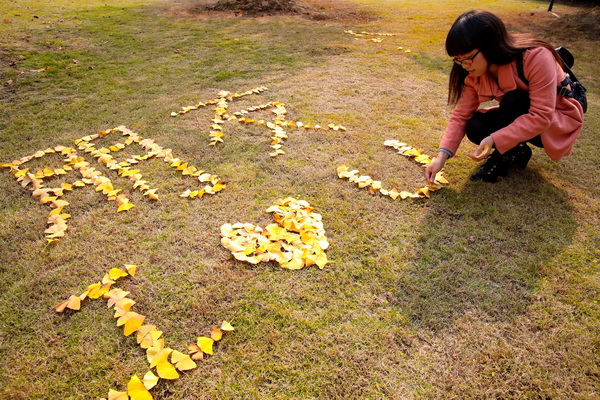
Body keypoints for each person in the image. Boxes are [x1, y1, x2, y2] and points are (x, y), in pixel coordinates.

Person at [425, 10, 584, 184]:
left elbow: (542, 115)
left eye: (468, 58)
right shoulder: (475, 73)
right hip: (524, 114)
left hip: (556, 119)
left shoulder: (536, 56)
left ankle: (505, 154)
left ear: (489, 46)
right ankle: (517, 149)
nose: (464, 65)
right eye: (458, 59)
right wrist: (441, 157)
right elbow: (461, 115)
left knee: (515, 100)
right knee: (475, 125)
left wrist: (496, 139)